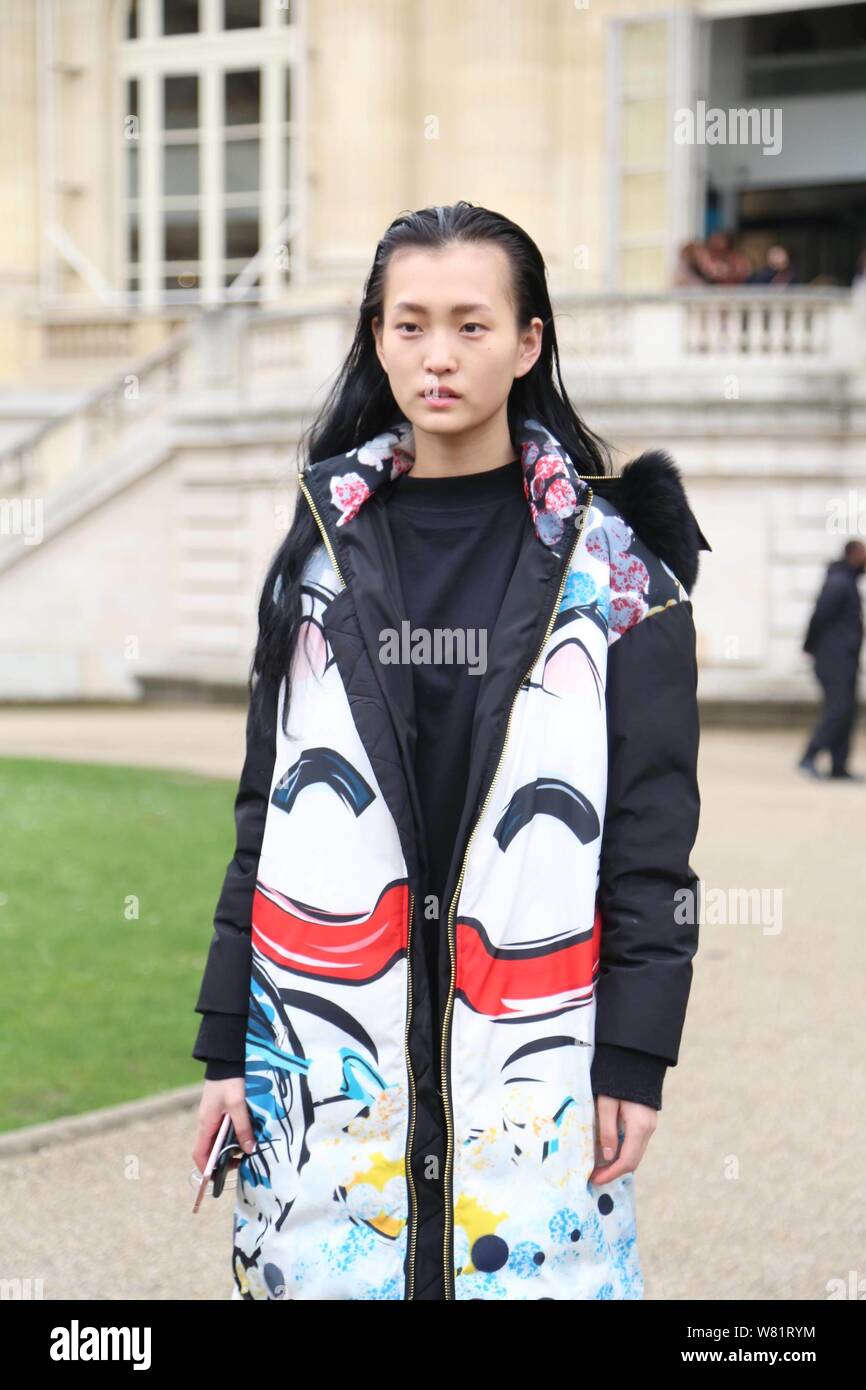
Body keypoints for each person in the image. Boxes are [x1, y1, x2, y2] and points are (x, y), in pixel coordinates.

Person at [190, 200, 710, 1301]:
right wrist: (227, 1044)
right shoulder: (316, 552)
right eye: (409, 323)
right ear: (375, 338)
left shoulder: (618, 574)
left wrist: (633, 1057)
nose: (437, 357)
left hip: (531, 1049)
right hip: (329, 1049)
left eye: (471, 326)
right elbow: (263, 817)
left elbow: (651, 847)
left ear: (528, 344)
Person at [798, 539, 865, 780]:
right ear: (854, 554)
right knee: (838, 709)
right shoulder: (839, 582)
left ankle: (839, 766)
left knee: (847, 711)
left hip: (845, 660)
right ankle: (808, 757)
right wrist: (808, 646)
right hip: (832, 660)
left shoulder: (847, 580)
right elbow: (820, 615)